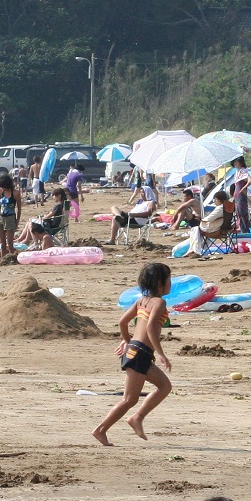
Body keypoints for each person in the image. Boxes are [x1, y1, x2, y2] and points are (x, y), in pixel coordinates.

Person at [92, 260, 173, 444]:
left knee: (164, 387)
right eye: (169, 279)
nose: (171, 283)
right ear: (160, 283)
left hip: (137, 351)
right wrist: (161, 354)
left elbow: (123, 322)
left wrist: (128, 342)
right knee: (129, 399)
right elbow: (151, 327)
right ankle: (101, 429)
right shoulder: (159, 302)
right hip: (141, 353)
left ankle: (137, 418)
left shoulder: (141, 301)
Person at [105, 177, 159, 245]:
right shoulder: (141, 202)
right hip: (130, 217)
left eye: (142, 193)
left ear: (146, 193)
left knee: (115, 218)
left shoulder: (151, 202)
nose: (140, 194)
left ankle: (112, 240)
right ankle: (119, 216)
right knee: (114, 208)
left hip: (136, 220)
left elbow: (148, 213)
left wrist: (133, 215)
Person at [0, 174, 19, 255]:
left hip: (10, 219)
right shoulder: (0, 191)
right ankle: (3, 258)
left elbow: (19, 208)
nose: (2, 188)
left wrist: (17, 222)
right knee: (2, 243)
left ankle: (12, 257)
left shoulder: (15, 193)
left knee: (10, 243)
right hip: (0, 217)